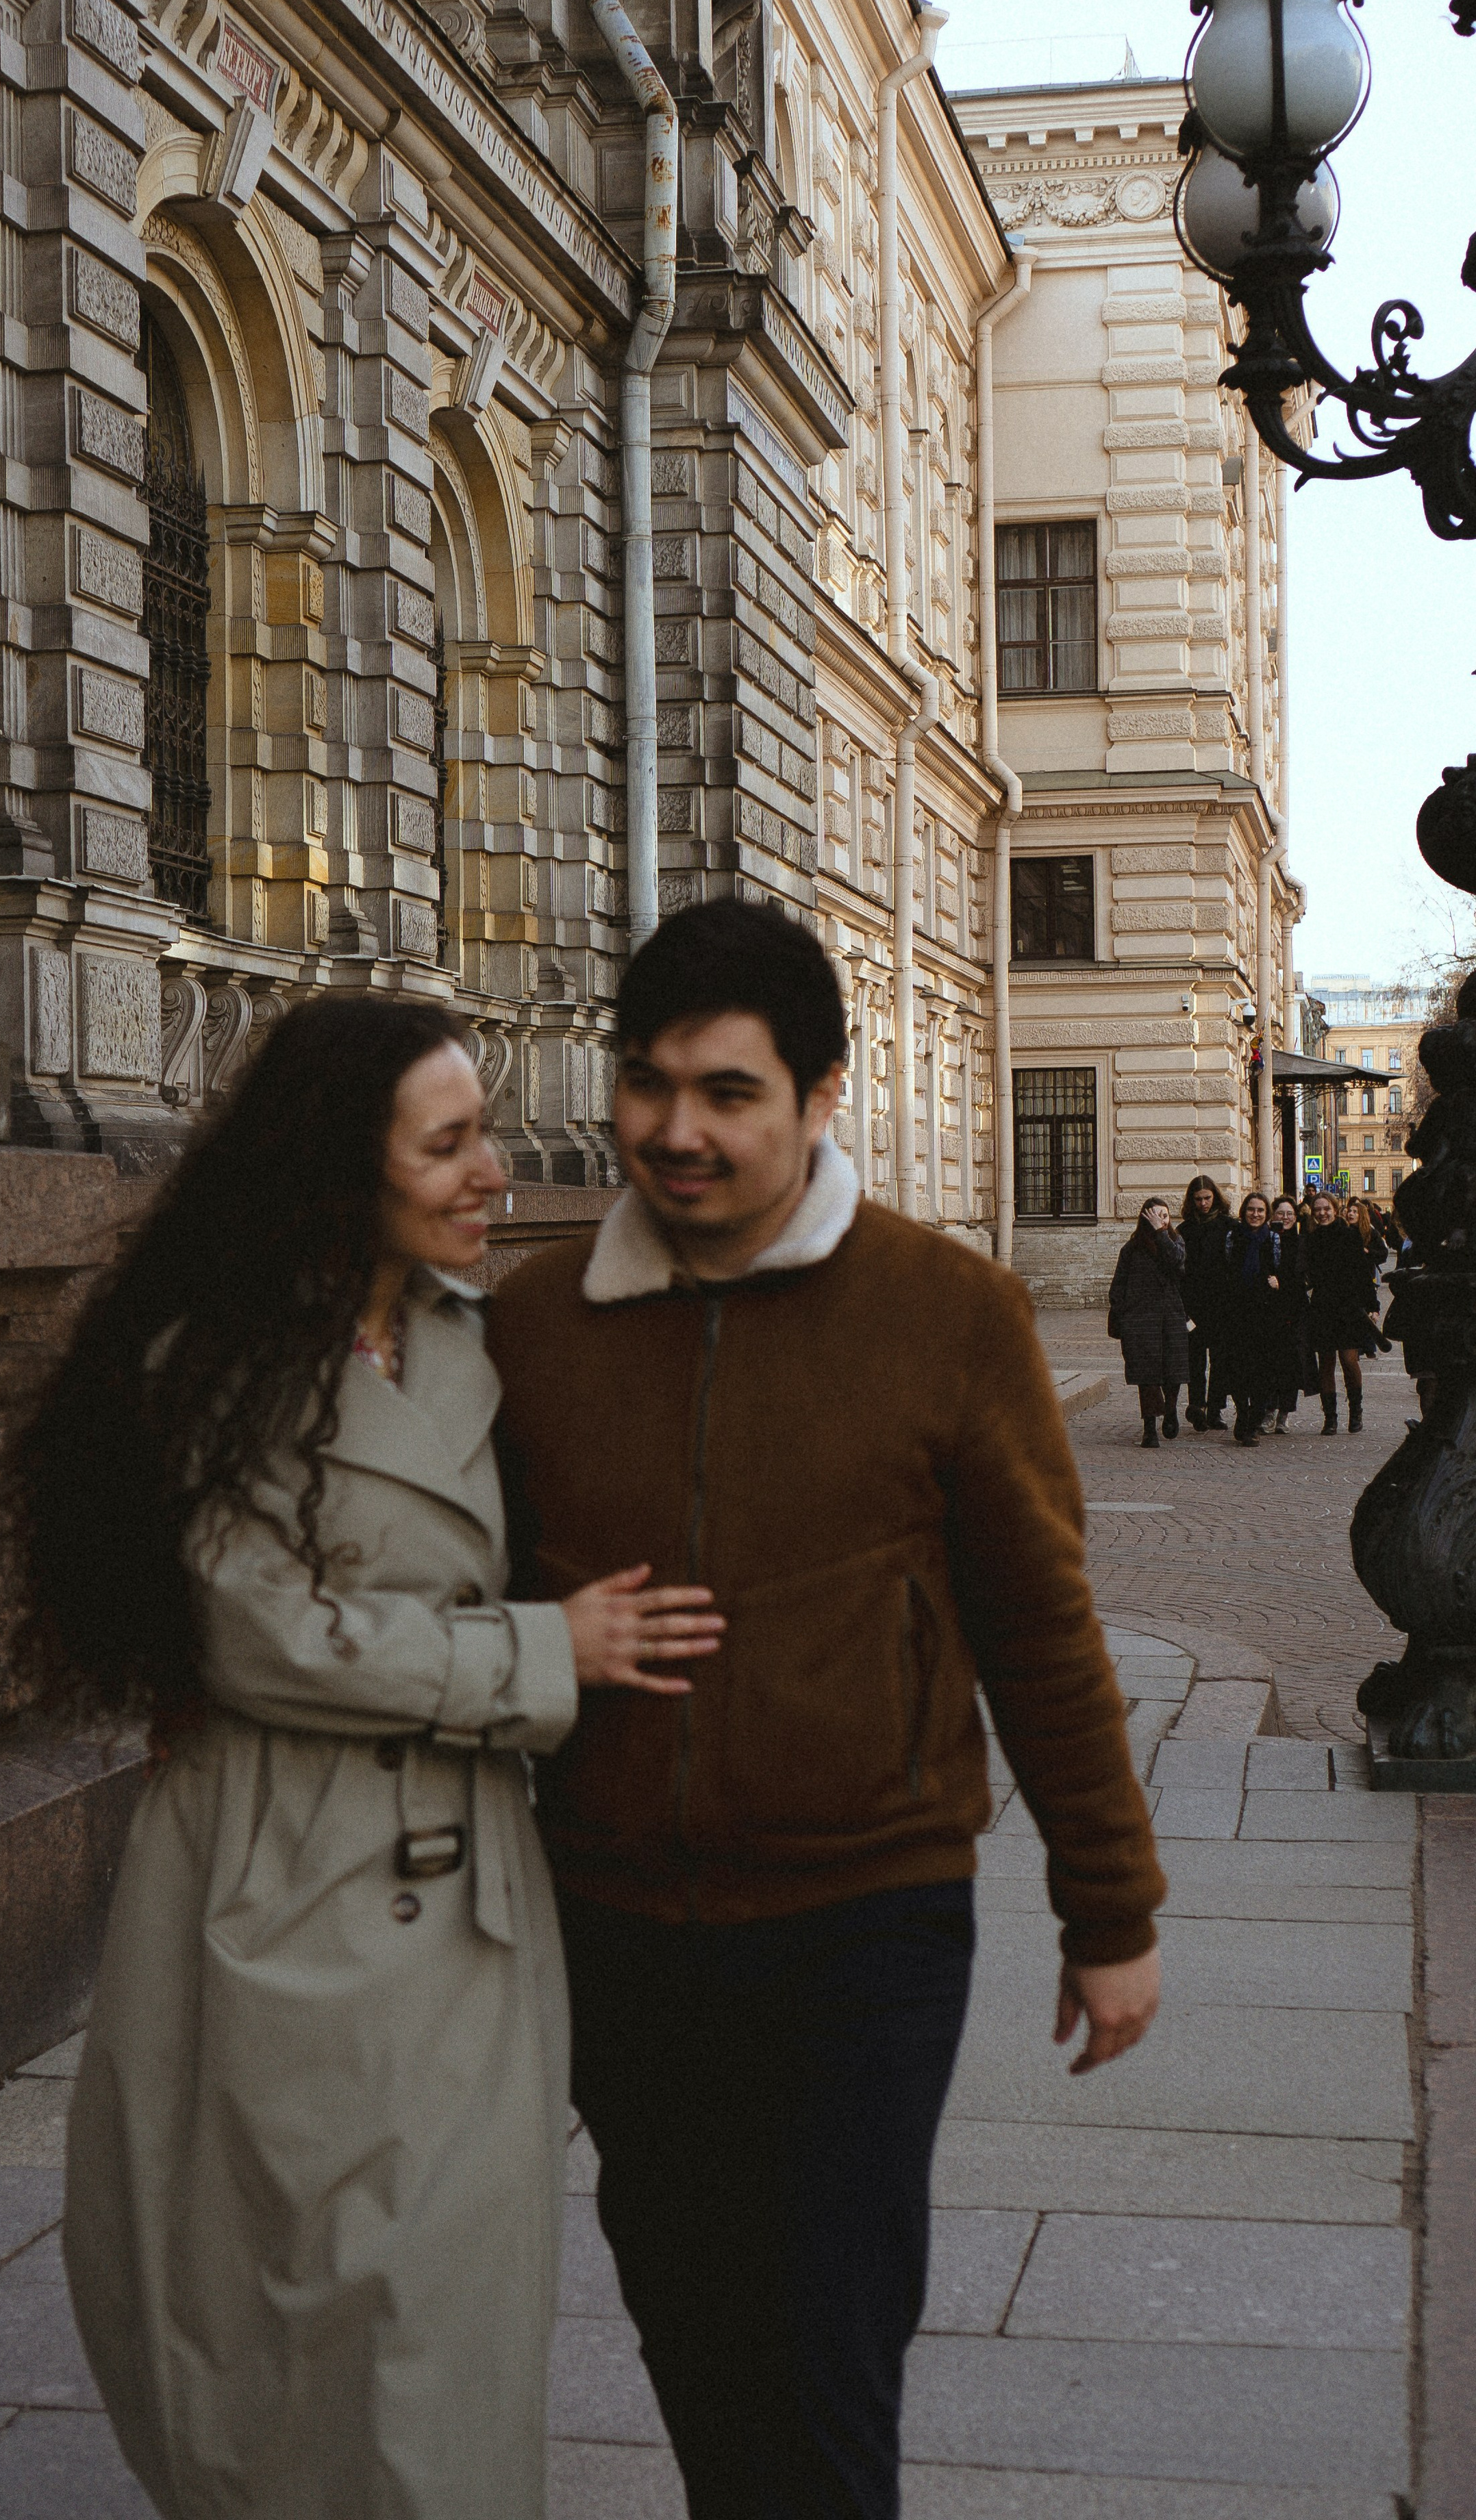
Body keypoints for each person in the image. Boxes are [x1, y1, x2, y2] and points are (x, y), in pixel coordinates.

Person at [486, 900, 1165, 2520]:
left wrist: (1110, 1903)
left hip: (862, 1915)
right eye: (648, 1085)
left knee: (826, 2332)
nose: (675, 1130)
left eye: (726, 1092)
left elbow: (1039, 1624)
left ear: (819, 1094)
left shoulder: (944, 1309)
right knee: (692, 2323)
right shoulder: (528, 1324)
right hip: (612, 1917)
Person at [15, 997, 723, 2520]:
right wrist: (543, 1655)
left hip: (473, 1889)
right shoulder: (216, 1361)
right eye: (451, 1144)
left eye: (488, 1137)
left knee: (450, 2322)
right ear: (346, 1169)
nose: (494, 1176)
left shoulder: (483, 1340)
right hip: (293, 1871)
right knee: (291, 2310)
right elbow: (258, 1631)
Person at [1108, 1198, 1188, 1446]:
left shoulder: (1175, 1241)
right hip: (1141, 1320)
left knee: (1174, 1370)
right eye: (1154, 1216)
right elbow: (1118, 1285)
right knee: (1147, 1376)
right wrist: (1124, 1313)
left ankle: (1171, 1409)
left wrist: (1162, 1233)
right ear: (1144, 1218)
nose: (1160, 1220)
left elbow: (1176, 1263)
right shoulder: (1131, 1249)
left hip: (1171, 1316)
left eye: (1164, 1216)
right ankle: (1149, 1428)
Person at [1307, 1185, 1379, 1433]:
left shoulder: (1350, 1235)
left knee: (1349, 1361)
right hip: (1323, 1307)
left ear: (1335, 1209)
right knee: (1326, 1363)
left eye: (1327, 1209)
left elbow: (1363, 1272)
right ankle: (1330, 1417)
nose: (1322, 1213)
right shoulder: (1311, 1239)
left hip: (1348, 1307)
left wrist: (1373, 1305)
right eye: (1318, 1210)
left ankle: (1356, 1412)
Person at [1220, 1190, 1284, 1446]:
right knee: (1238, 1368)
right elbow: (1226, 1266)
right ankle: (1242, 1414)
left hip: (1266, 1312)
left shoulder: (1274, 1239)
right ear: (1243, 1212)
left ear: (1267, 1214)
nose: (1255, 1214)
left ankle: (1254, 1420)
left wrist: (1278, 1283)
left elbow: (1282, 1270)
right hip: (1238, 1311)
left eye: (1260, 1210)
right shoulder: (1233, 1237)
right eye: (1251, 1210)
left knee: (1263, 1370)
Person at [1179, 1174, 1231, 1431]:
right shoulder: (1185, 1230)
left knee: (1220, 1360)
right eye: (1198, 1199)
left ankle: (1216, 1409)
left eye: (1208, 1198)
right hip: (1194, 1306)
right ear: (1192, 1200)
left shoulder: (1227, 1226)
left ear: (1215, 1197)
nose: (1203, 1204)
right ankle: (1197, 1406)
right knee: (1195, 1360)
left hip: (1222, 1305)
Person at [1267, 1194, 1314, 1432]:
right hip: (1270, 1310)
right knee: (1271, 1362)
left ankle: (1284, 1414)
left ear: (1295, 1218)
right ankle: (1268, 1411)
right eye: (1280, 1214)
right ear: (1272, 1216)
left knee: (1292, 1363)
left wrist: (1286, 1283)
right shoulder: (1266, 1239)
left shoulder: (1301, 1242)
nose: (1284, 1218)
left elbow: (1304, 1276)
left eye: (1289, 1214)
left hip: (1295, 1311)